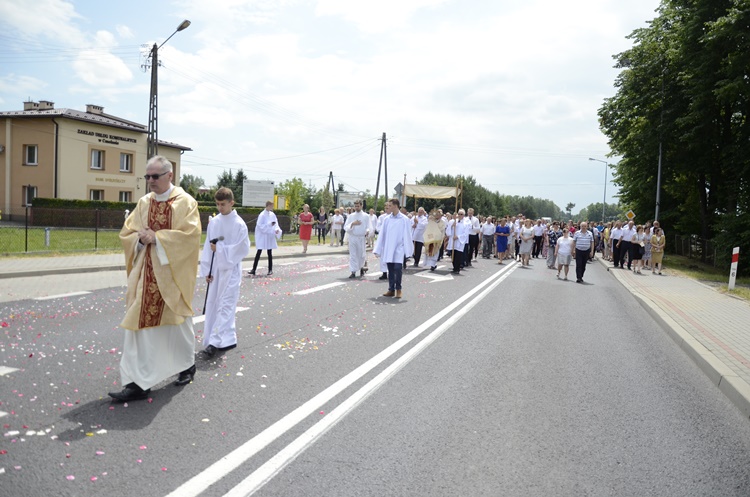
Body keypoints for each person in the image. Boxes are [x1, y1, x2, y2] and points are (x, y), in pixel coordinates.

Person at [109, 156, 201, 402]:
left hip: (172, 275)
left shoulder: (185, 203)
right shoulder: (144, 203)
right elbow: (127, 232)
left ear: (169, 176)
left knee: (178, 324)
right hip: (145, 274)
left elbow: (190, 237)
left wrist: (158, 238)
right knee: (139, 328)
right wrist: (139, 239)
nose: (150, 181)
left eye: (155, 176)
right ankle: (137, 383)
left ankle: (186, 364)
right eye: (147, 176)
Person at [199, 187, 250, 358]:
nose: (220, 207)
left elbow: (243, 248)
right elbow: (208, 246)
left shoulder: (239, 224)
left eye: (223, 204)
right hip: (216, 270)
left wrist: (220, 248)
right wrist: (207, 269)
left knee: (226, 305)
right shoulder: (214, 222)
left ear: (231, 203)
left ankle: (215, 342)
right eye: (218, 204)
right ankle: (226, 338)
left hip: (231, 270)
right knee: (214, 304)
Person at [374, 198, 413, 298]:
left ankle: (398, 289)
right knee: (390, 269)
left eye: (390, 205)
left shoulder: (404, 219)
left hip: (399, 248)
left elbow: (408, 235)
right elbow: (382, 234)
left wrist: (408, 250)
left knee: (398, 268)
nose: (388, 207)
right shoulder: (387, 219)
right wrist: (378, 248)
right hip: (389, 247)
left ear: (395, 206)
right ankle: (391, 289)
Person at [248, 201, 280, 276]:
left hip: (269, 236)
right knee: (259, 251)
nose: (272, 207)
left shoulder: (272, 214)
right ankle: (254, 269)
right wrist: (269, 225)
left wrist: (276, 229)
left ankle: (270, 269)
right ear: (268, 206)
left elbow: (276, 223)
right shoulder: (262, 215)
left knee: (269, 252)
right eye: (271, 206)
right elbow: (259, 225)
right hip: (263, 235)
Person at [344, 200, 371, 278]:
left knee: (361, 255)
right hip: (353, 237)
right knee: (353, 255)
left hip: (361, 238)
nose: (356, 207)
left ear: (361, 206)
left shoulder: (366, 216)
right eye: (355, 206)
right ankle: (353, 271)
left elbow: (369, 226)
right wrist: (353, 224)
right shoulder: (351, 216)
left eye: (358, 206)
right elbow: (346, 227)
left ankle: (361, 268)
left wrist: (367, 231)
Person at [446, 209, 469, 274]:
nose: (459, 215)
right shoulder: (453, 222)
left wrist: (458, 237)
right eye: (458, 214)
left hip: (459, 242)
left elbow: (465, 234)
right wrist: (452, 226)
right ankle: (454, 267)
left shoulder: (465, 224)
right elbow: (448, 232)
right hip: (453, 242)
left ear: (464, 215)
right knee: (453, 255)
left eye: (461, 214)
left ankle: (457, 268)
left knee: (458, 256)